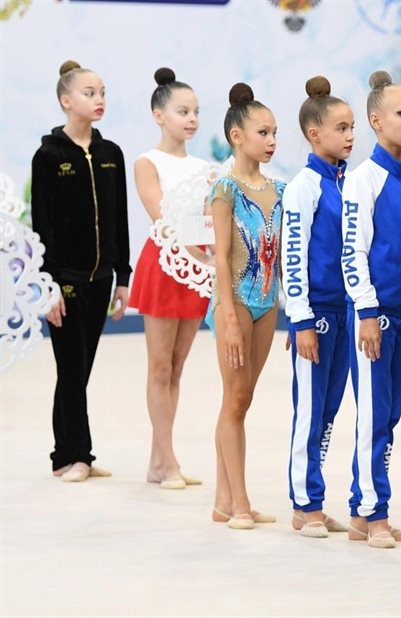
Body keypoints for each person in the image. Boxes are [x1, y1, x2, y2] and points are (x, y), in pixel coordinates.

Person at [32, 60, 130, 483]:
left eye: (102, 92)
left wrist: (123, 277)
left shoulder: (111, 155)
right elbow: (43, 225)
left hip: (102, 279)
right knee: (72, 369)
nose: (99, 99)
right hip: (65, 281)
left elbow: (119, 219)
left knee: (79, 369)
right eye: (89, 93)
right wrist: (48, 285)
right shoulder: (48, 156)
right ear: (66, 100)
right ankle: (80, 456)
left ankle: (63, 456)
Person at [342, 70, 401, 549]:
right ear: (376, 121)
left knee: (389, 416)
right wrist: (367, 312)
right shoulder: (363, 181)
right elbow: (353, 252)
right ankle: (375, 513)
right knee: (373, 417)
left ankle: (362, 510)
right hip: (376, 317)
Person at [207, 83, 285, 530]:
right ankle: (239, 501)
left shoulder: (278, 189)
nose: (272, 141)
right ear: (237, 137)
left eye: (274, 133)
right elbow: (220, 256)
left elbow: (282, 253)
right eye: (263, 133)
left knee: (242, 399)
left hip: (267, 302)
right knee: (235, 398)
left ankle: (224, 499)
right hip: (234, 301)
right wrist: (228, 318)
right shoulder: (225, 189)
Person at [129, 67, 211, 489]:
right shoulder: (147, 162)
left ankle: (159, 461)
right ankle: (167, 461)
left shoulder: (205, 168)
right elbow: (161, 216)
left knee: (177, 368)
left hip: (196, 268)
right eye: (183, 111)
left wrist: (209, 256)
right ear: (159, 115)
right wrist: (196, 247)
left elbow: (209, 220)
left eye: (195, 111)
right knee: (160, 367)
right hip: (164, 264)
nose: (192, 119)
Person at [282, 75, 355, 538]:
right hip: (317, 314)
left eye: (352, 128)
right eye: (341, 128)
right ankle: (304, 502)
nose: (350, 136)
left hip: (346, 313)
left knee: (328, 411)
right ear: (315, 134)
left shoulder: (349, 183)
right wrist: (302, 321)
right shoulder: (303, 187)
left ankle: (314, 496)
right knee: (309, 412)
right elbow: (294, 258)